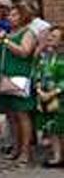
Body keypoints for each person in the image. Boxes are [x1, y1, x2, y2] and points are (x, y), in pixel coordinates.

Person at [0, 0, 37, 165]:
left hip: (20, 77)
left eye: (14, 15)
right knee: (11, 115)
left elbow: (25, 52)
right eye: (10, 15)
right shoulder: (8, 33)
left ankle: (26, 151)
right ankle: (15, 147)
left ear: (23, 17)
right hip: (4, 77)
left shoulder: (28, 32)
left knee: (22, 114)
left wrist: (5, 41)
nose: (10, 17)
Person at [34, 24, 63, 167]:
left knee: (61, 127)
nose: (50, 38)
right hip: (45, 97)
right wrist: (40, 91)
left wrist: (53, 93)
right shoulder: (45, 57)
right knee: (52, 128)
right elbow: (37, 74)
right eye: (50, 36)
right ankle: (57, 157)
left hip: (60, 97)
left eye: (54, 36)